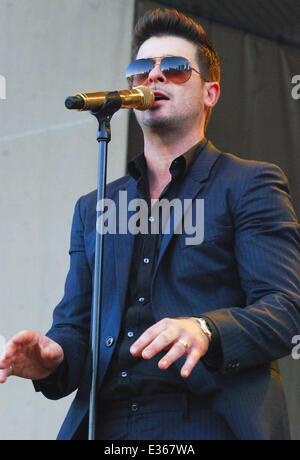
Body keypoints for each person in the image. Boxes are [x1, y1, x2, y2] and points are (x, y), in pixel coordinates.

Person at [0, 8, 300, 441]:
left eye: (175, 69)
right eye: (141, 69)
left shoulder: (249, 183)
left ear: (210, 93)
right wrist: (53, 357)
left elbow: (284, 310)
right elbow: (76, 326)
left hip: (204, 419)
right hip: (106, 424)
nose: (153, 78)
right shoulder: (94, 207)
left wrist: (205, 328)